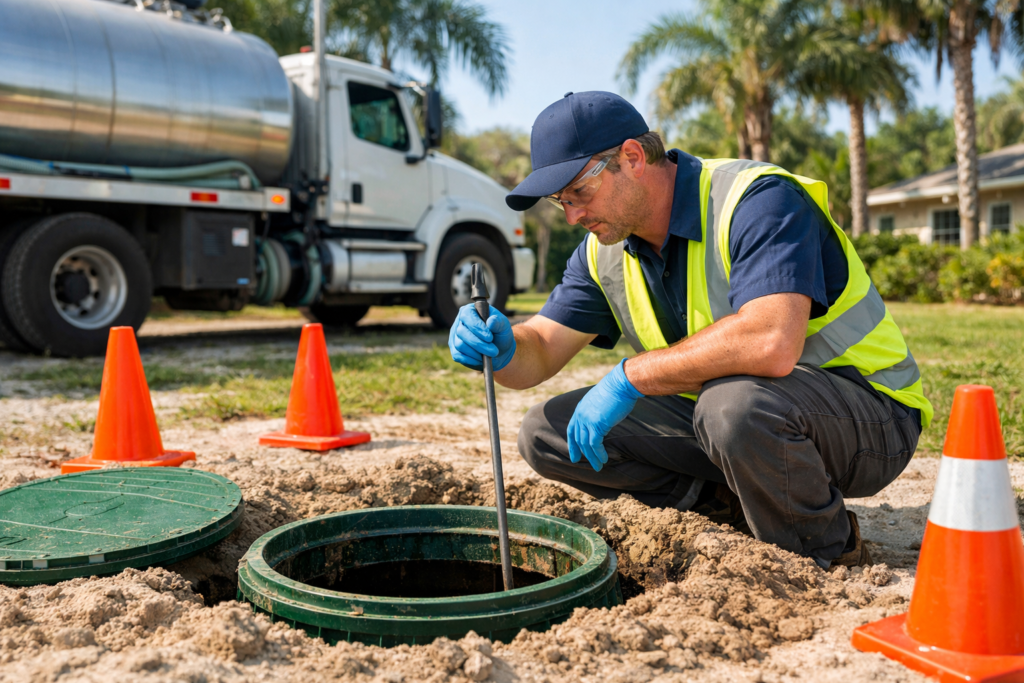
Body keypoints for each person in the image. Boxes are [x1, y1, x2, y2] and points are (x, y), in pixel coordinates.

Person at [448, 91, 931, 569]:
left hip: (870, 415)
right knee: (546, 432)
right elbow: (540, 348)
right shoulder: (603, 251)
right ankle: (725, 509)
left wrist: (629, 377)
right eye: (561, 202)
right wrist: (503, 345)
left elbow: (771, 341)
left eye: (580, 193)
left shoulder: (756, 200)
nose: (573, 216)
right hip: (733, 422)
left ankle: (824, 554)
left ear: (632, 158)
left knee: (733, 406)